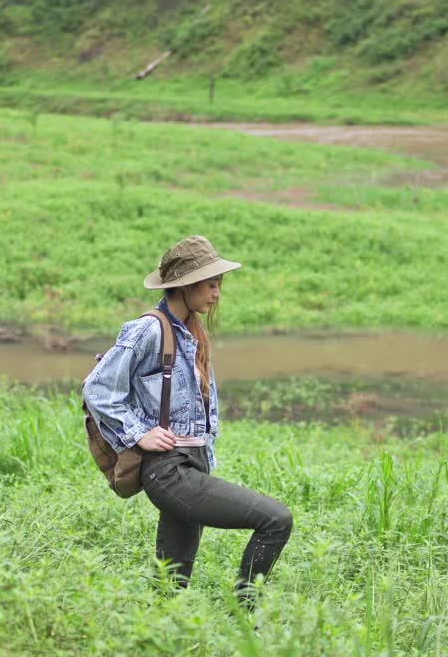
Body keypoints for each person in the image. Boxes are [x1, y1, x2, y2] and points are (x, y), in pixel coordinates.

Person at [82, 235, 293, 603]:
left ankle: (160, 635)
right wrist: (139, 434)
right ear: (184, 285)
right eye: (210, 284)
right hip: (168, 471)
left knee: (171, 585)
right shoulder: (149, 329)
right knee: (276, 520)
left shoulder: (192, 332)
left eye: (218, 284)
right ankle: (243, 619)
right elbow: (97, 389)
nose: (216, 293)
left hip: (191, 465)